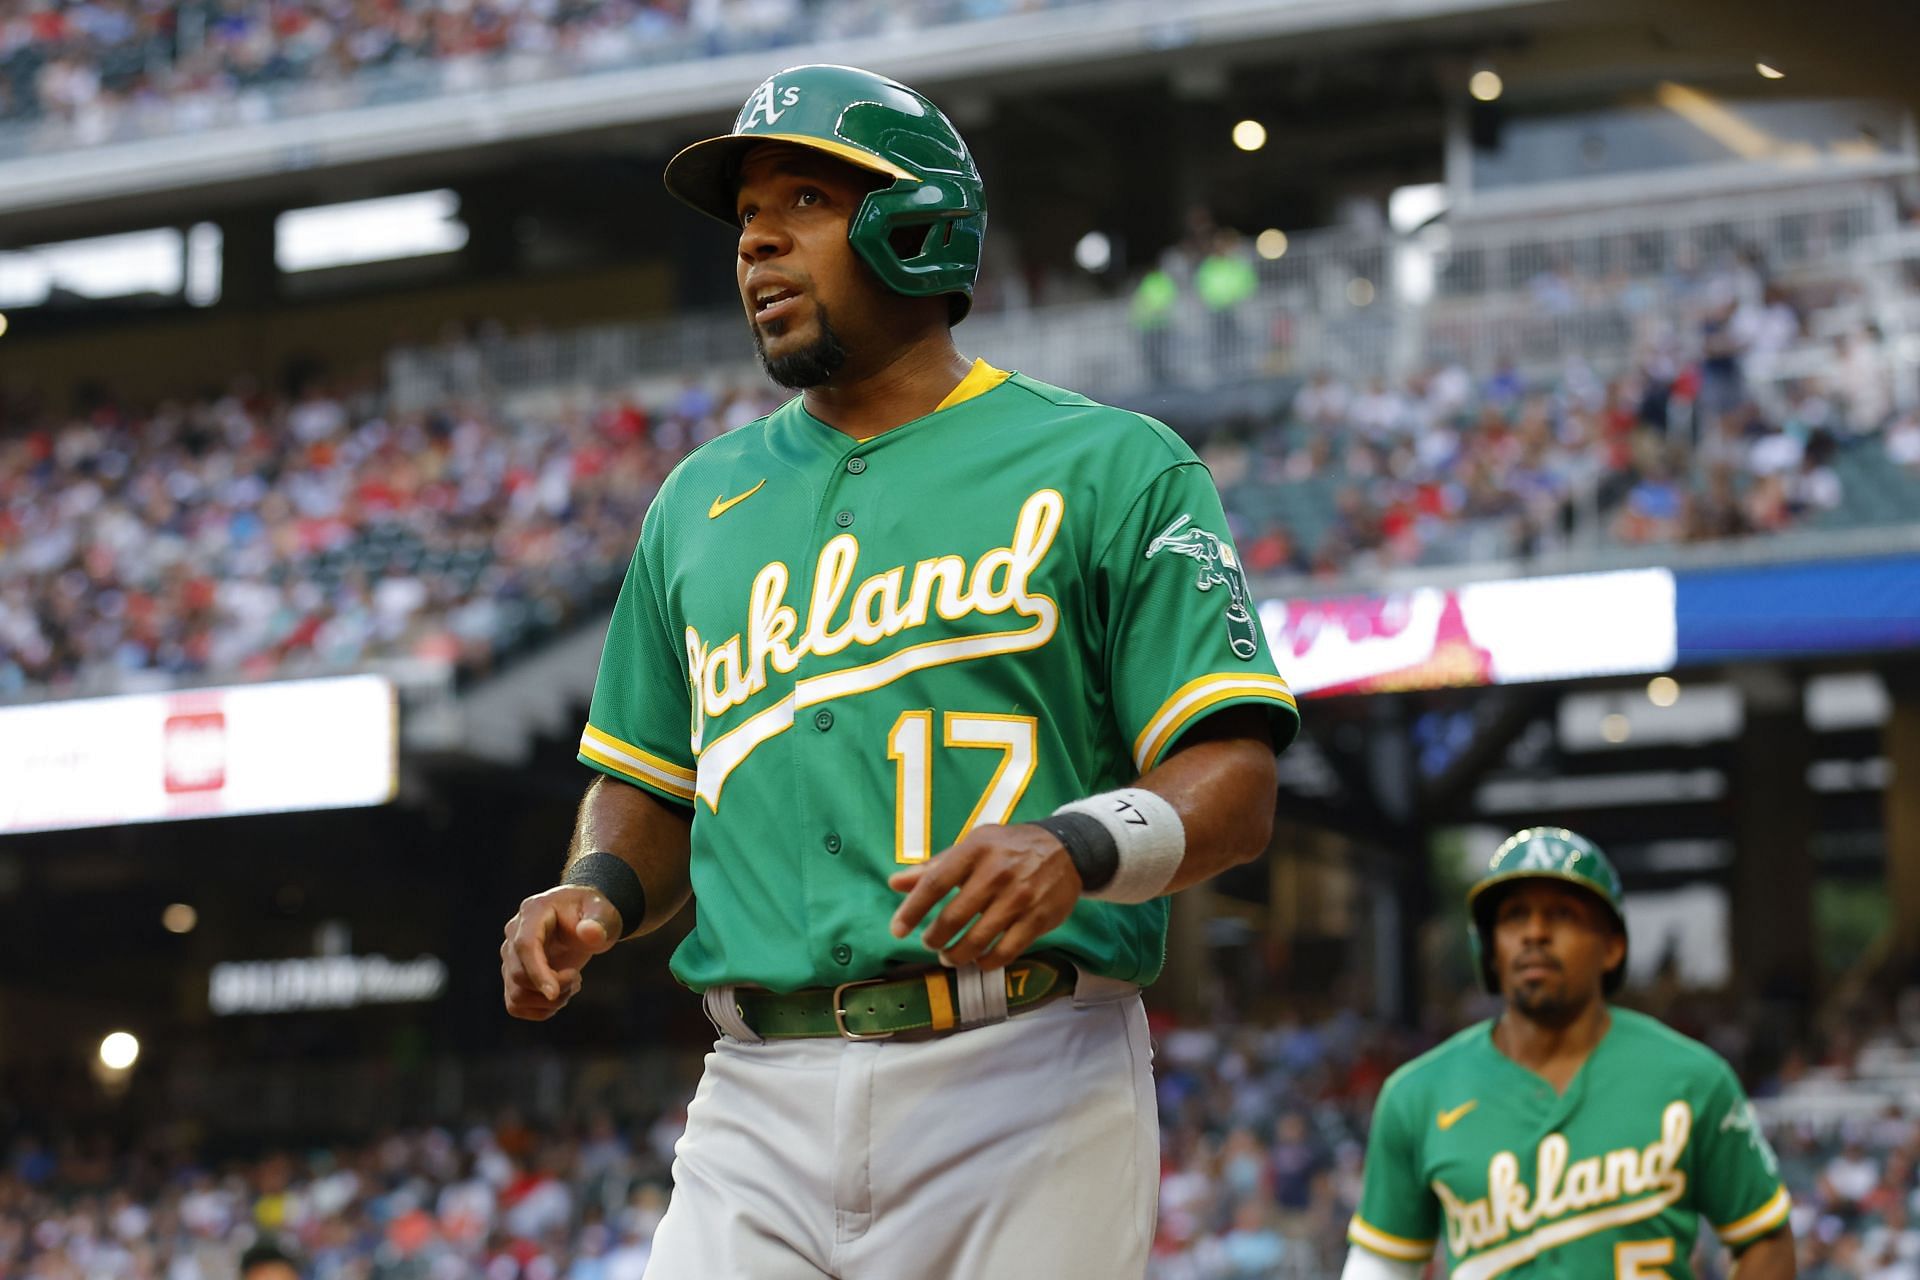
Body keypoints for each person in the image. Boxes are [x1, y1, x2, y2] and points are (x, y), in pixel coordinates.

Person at [499, 64, 1299, 1279]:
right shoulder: (698, 504)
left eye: (805, 200)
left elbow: (1234, 783)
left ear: (916, 226)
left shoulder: (1110, 463)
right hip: (753, 1093)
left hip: (1026, 1071)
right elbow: (651, 785)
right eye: (747, 217)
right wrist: (596, 890)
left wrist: (1078, 843)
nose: (757, 242)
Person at [1340, 828, 1796, 1279]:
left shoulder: (1693, 1077)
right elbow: (1383, 1264)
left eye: (1562, 914)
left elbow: (1765, 1240)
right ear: (1490, 948)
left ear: (1613, 946)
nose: (1535, 933)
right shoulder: (1417, 1094)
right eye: (1515, 916)